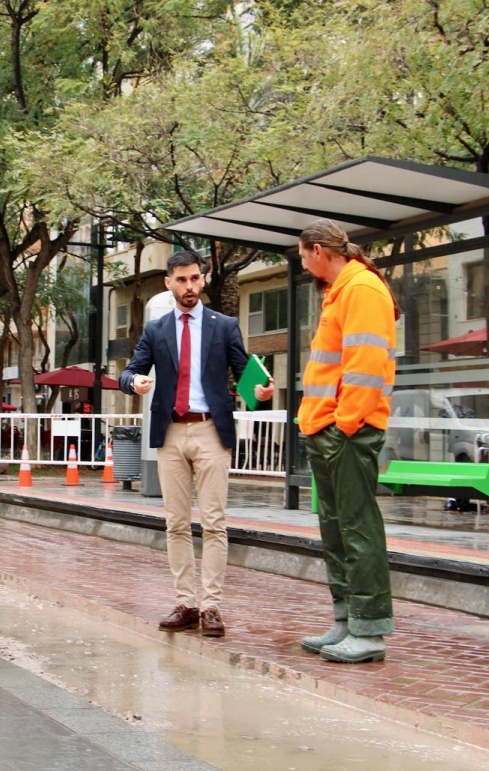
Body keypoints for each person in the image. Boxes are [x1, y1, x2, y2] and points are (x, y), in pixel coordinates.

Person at [120, 249, 274, 638]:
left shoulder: (225, 326)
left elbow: (245, 377)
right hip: (171, 432)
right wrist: (134, 383)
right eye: (182, 280)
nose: (190, 286)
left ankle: (211, 607)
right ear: (168, 283)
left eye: (195, 278)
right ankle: (186, 603)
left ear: (203, 279)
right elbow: (130, 372)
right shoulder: (156, 331)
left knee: (214, 523)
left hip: (210, 432)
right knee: (175, 523)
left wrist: (259, 391)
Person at [296, 218, 400, 664]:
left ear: (319, 251)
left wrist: (346, 425)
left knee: (356, 529)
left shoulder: (362, 290)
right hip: (330, 429)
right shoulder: (344, 291)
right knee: (337, 529)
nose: (303, 264)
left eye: (303, 255)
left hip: (346, 433)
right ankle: (346, 621)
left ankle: (369, 630)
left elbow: (367, 364)